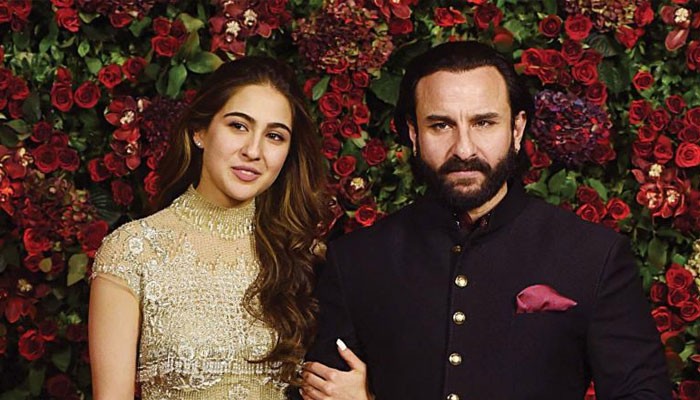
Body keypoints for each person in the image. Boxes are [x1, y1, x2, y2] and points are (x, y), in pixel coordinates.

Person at [299, 41, 672, 400]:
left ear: (517, 129)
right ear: (414, 133)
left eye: (484, 123)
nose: (464, 149)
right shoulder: (356, 260)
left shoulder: (594, 256)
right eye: (441, 125)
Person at [88, 56, 328, 399]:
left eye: (274, 136)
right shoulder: (133, 250)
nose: (253, 151)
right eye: (238, 126)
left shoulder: (304, 255)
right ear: (199, 131)